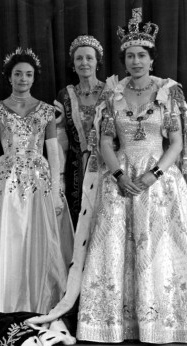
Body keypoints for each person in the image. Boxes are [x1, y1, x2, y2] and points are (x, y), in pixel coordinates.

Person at [31, 8, 187, 344]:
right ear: (124, 60)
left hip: (159, 177)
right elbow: (106, 142)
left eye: (141, 55)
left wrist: (153, 174)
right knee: (116, 247)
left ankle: (168, 320)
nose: (136, 61)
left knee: (163, 248)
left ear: (151, 59)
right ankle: (115, 324)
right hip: (121, 175)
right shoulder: (113, 94)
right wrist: (120, 175)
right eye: (130, 55)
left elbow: (177, 141)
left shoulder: (169, 91)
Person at [0, 48, 68, 314]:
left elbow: (54, 153)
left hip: (38, 179)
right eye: (18, 74)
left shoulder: (45, 110)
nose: (23, 78)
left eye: (28, 74)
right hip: (6, 178)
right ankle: (6, 303)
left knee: (39, 239)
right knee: (9, 238)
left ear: (34, 78)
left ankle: (40, 302)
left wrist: (56, 190)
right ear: (9, 77)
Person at [55, 35, 106, 228]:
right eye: (79, 58)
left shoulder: (112, 90)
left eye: (89, 58)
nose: (84, 62)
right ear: (73, 64)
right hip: (76, 168)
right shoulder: (65, 94)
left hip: (106, 164)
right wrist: (59, 176)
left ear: (97, 62)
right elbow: (61, 138)